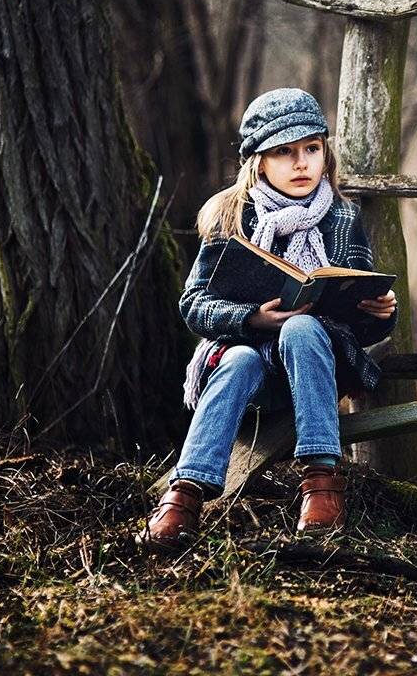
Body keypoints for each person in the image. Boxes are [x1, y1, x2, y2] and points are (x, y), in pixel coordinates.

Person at [138, 88, 398, 554]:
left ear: (324, 152)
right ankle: (186, 492)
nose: (301, 163)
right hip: (252, 370)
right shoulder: (230, 217)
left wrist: (381, 312)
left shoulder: (342, 218)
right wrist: (251, 317)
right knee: (237, 360)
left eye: (311, 150)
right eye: (284, 152)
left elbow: (362, 327)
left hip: (316, 366)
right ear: (258, 162)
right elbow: (193, 304)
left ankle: (321, 479)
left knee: (301, 327)